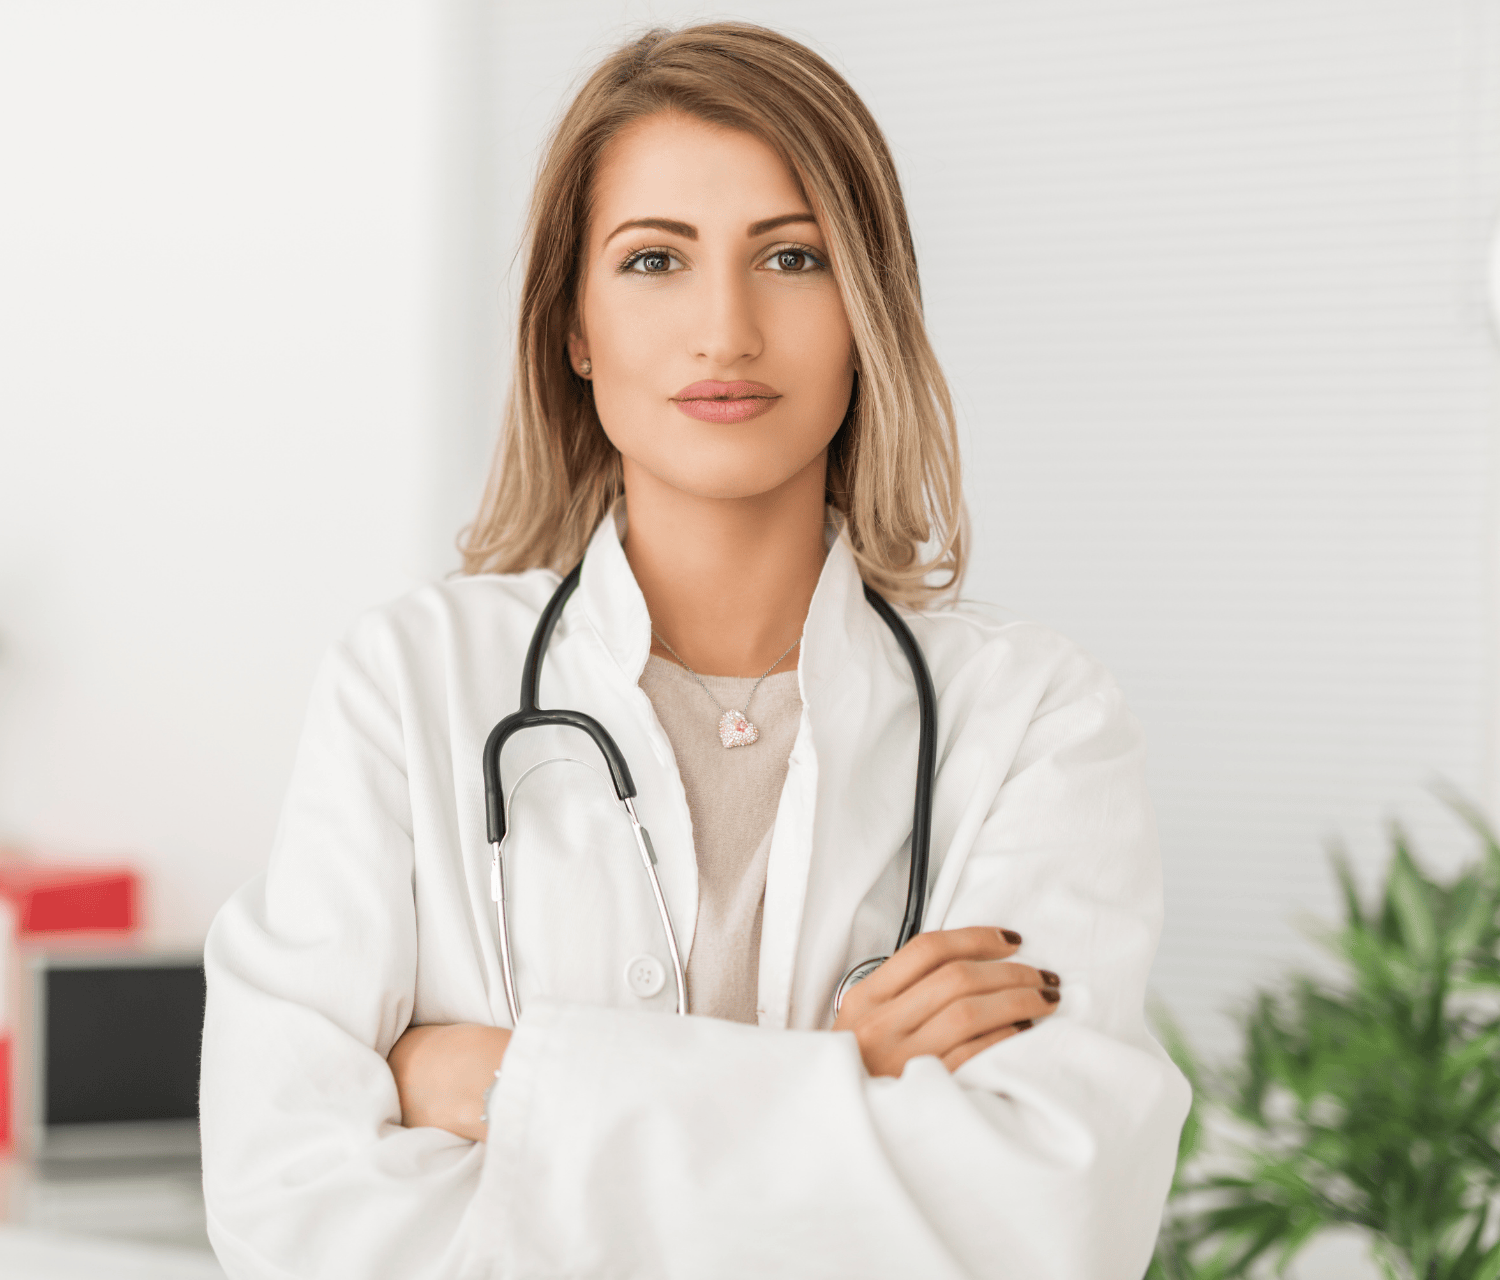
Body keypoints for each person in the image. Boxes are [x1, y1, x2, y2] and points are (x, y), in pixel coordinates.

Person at [200, 21, 1189, 1279]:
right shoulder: (411, 682)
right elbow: (293, 1216)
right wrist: (847, 1086)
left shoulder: (1034, 716)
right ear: (573, 327)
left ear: (865, 313)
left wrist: (500, 1084)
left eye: (790, 256)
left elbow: (1051, 1221)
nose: (724, 329)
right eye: (655, 259)